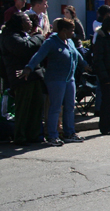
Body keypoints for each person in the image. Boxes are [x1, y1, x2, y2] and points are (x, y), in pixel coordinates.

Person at [20, 18, 87, 146]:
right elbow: (39, 56)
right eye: (71, 30)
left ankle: (69, 133)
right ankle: (52, 135)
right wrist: (29, 68)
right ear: (63, 30)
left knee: (69, 107)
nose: (73, 33)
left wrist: (85, 64)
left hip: (69, 79)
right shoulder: (51, 42)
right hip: (55, 79)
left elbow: (77, 54)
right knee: (55, 107)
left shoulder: (69, 41)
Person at [0, 12, 45, 145]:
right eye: (27, 21)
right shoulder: (10, 36)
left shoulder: (23, 35)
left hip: (33, 75)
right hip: (21, 78)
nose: (31, 23)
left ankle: (33, 135)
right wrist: (38, 37)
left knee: (36, 107)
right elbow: (25, 48)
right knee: (23, 109)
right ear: (20, 23)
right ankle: (20, 137)